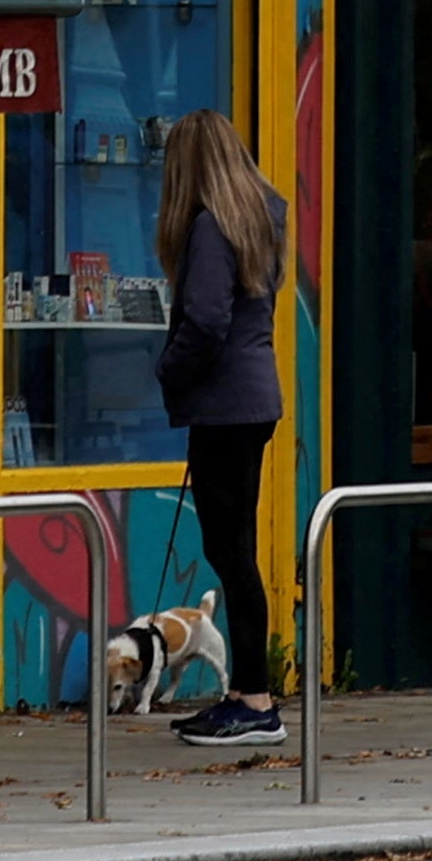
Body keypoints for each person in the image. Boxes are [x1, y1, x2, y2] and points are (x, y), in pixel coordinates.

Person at [149, 113, 292, 747]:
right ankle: (244, 694)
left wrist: (167, 369)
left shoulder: (209, 226)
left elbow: (205, 321)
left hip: (224, 403)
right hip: (255, 397)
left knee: (230, 550)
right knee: (235, 549)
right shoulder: (261, 217)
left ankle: (255, 699)